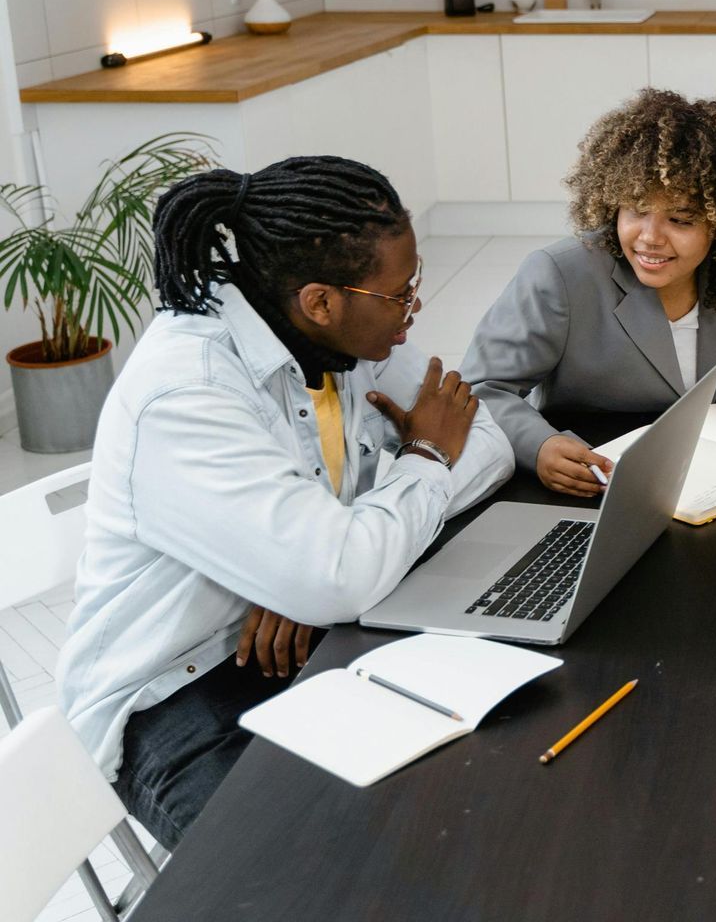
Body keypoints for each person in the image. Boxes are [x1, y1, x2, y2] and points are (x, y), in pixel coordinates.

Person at [57, 156, 515, 849]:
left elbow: (485, 441)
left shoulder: (345, 336)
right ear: (321, 301)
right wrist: (417, 462)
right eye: (400, 294)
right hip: (175, 696)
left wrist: (314, 561)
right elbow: (338, 573)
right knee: (312, 878)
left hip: (308, 640)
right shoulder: (189, 394)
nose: (413, 308)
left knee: (462, 807)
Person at [464, 88, 716, 496]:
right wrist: (540, 445)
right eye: (636, 210)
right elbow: (481, 389)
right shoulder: (560, 274)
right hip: (592, 475)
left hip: (712, 477)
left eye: (680, 219)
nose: (649, 238)